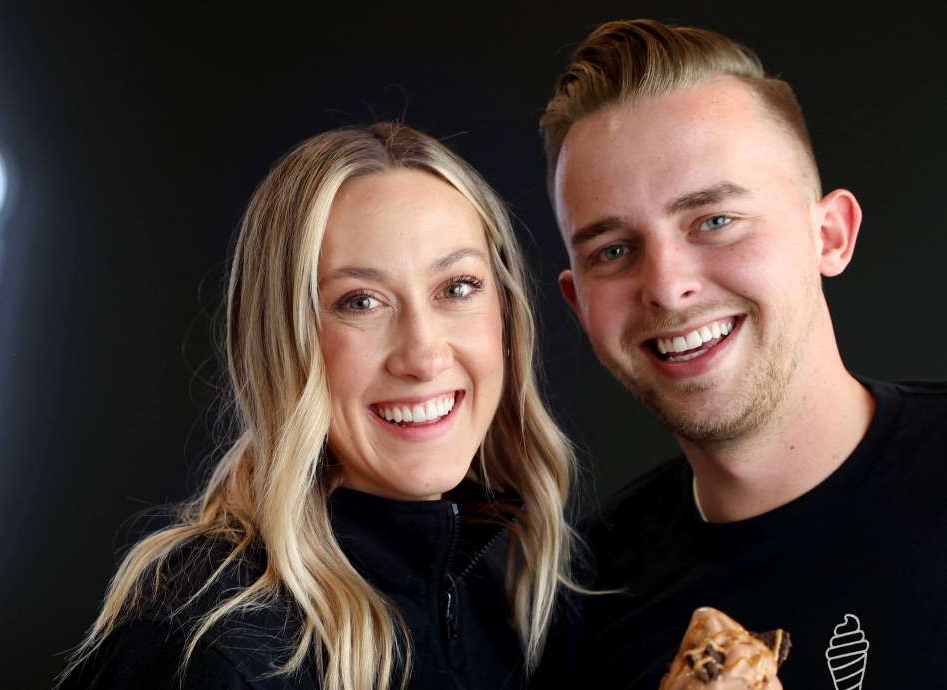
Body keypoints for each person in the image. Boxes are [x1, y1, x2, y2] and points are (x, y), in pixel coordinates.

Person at [58, 123, 582, 689]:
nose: (423, 355)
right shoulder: (202, 652)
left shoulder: (516, 602)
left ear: (505, 313)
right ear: (282, 341)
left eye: (456, 288)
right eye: (360, 301)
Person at [535, 18, 947, 689]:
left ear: (831, 235)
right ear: (579, 304)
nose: (667, 287)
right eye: (613, 251)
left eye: (715, 221)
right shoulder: (576, 608)